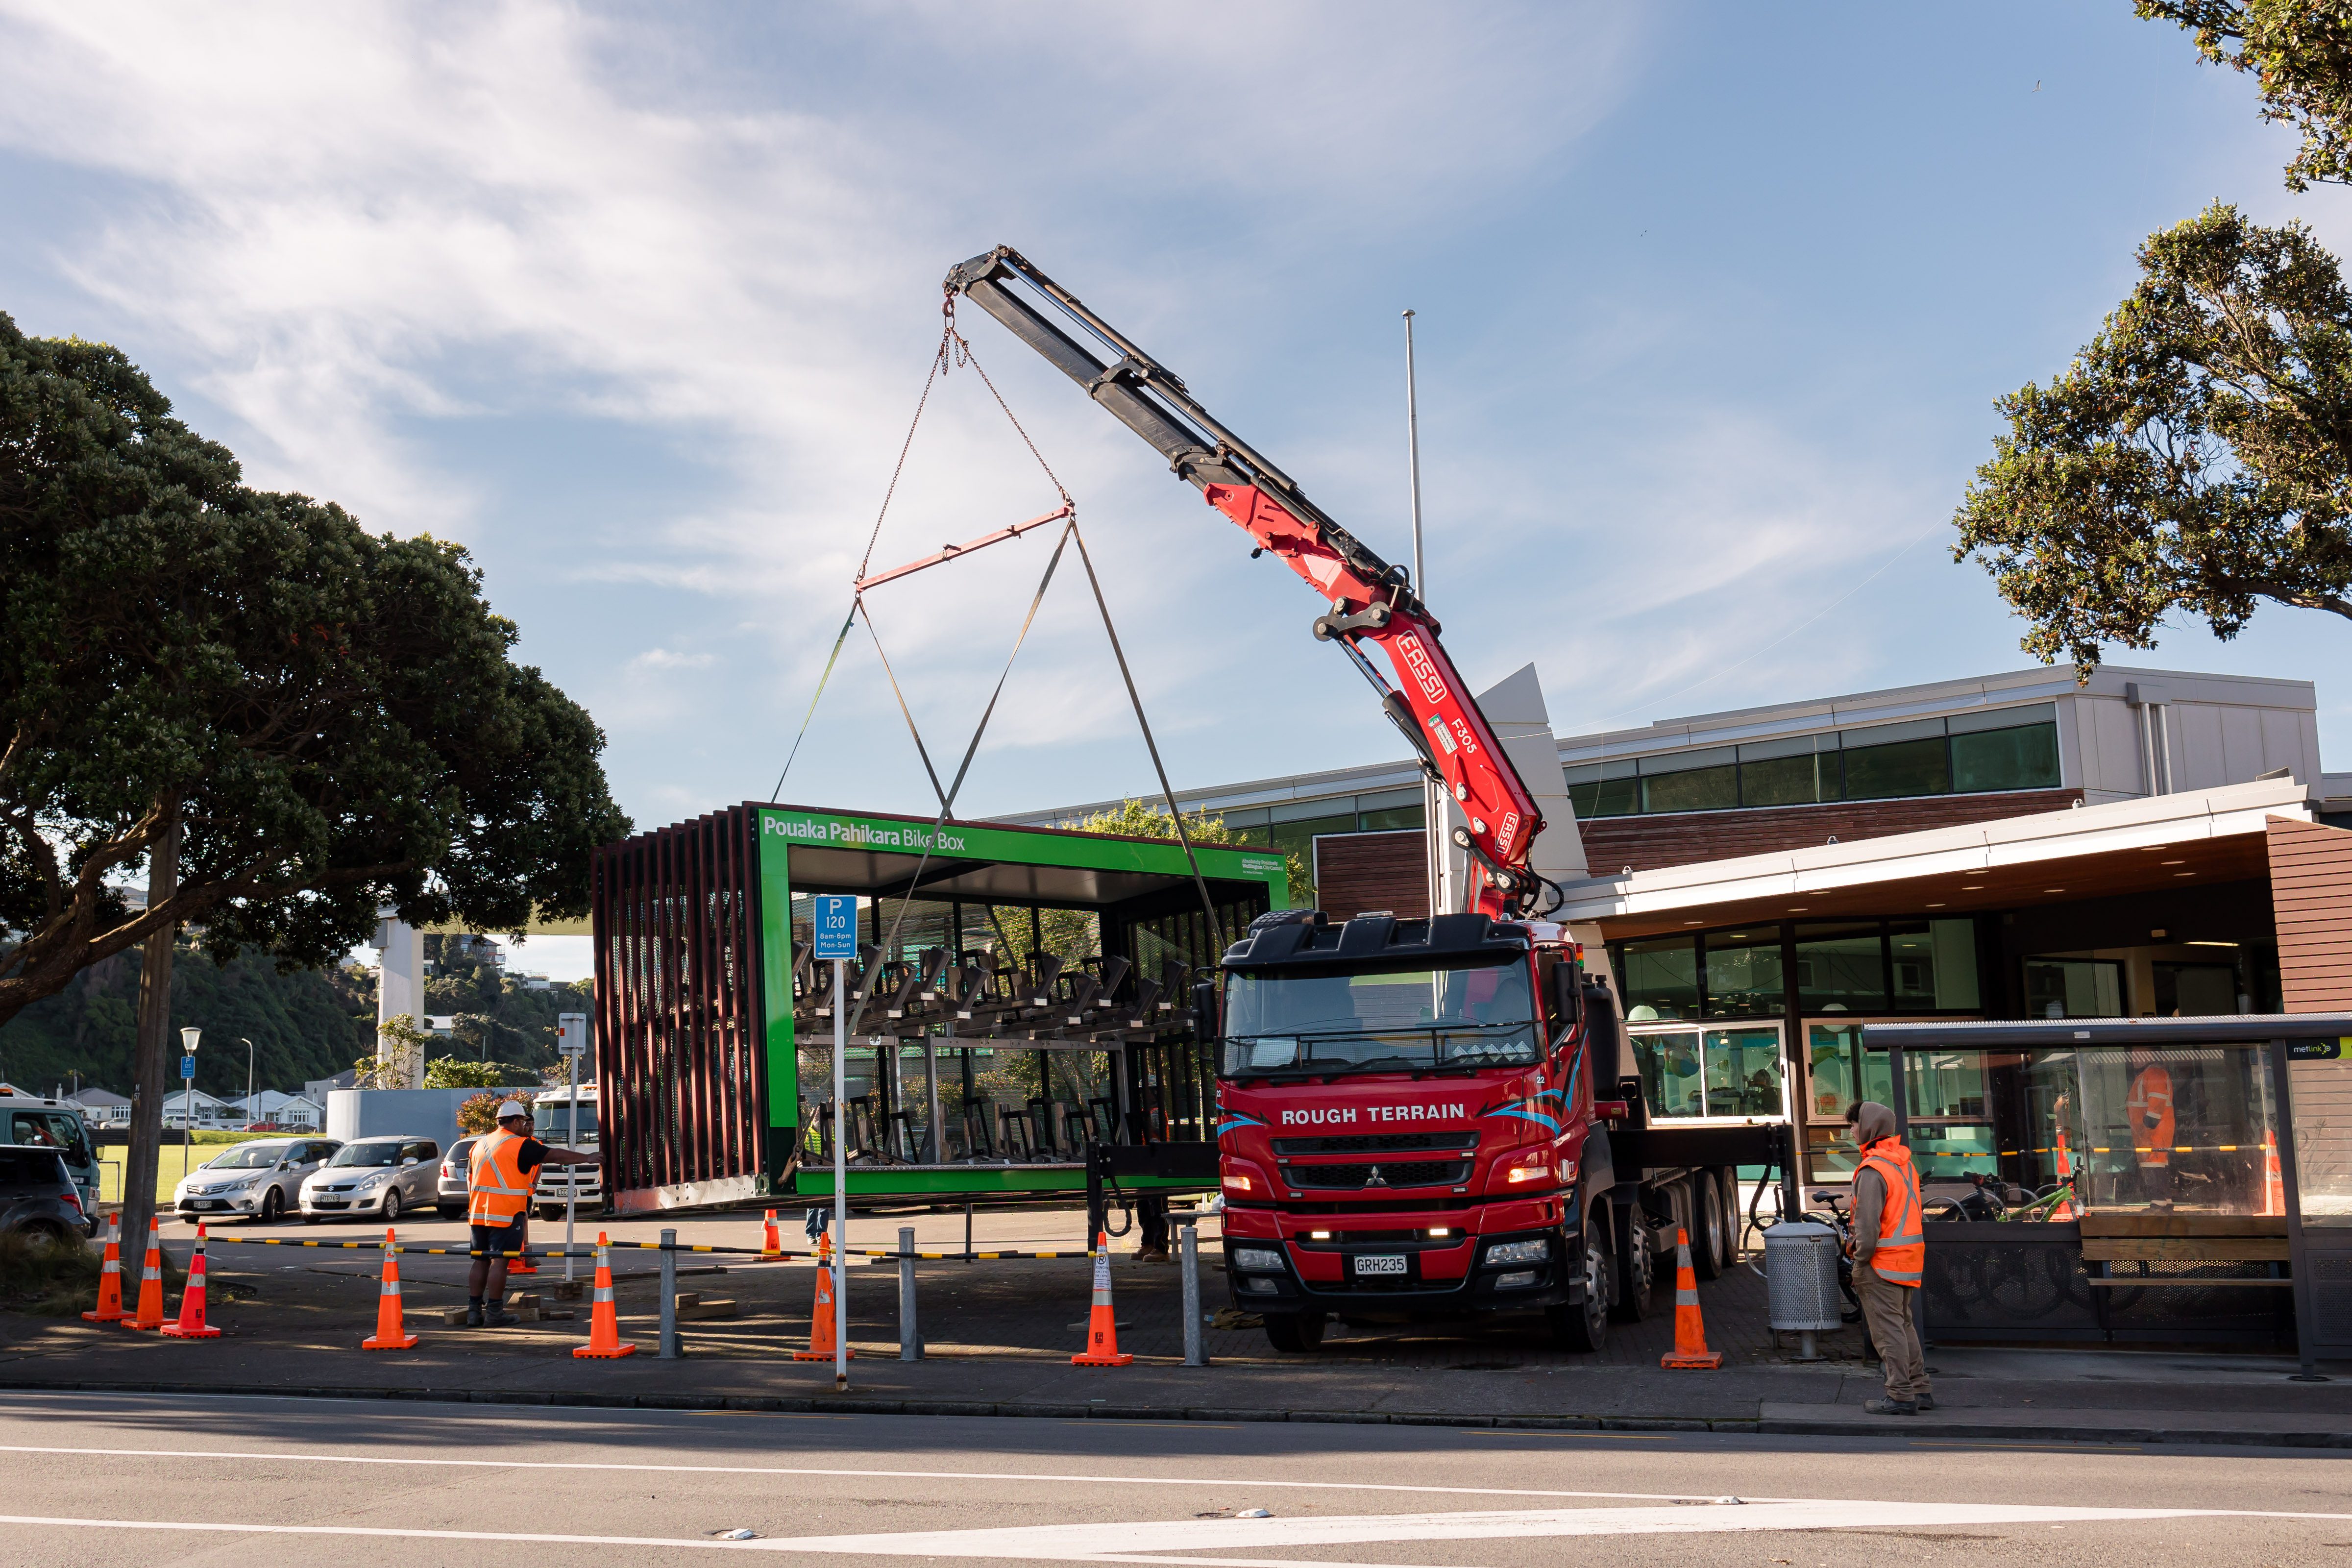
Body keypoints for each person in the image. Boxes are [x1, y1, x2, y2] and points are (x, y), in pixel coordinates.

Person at [466, 1099, 601, 1326]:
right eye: (524, 1121)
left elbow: (471, 1176)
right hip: (507, 1213)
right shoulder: (520, 1144)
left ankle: (473, 1311)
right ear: (517, 1122)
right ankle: (495, 1312)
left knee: (480, 1261)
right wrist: (587, 1158)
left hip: (478, 1213)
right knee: (501, 1261)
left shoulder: (479, 1144)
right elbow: (555, 1156)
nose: (526, 1125)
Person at [1845, 1101, 1931, 1416]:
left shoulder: (1873, 1169)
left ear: (1868, 1127)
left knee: (1887, 1331)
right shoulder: (1904, 1163)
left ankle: (1900, 1395)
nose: (1851, 1130)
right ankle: (1920, 1388)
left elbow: (1867, 1227)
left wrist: (1859, 1258)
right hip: (1908, 1259)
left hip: (1880, 1263)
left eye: (1854, 1124)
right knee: (1904, 1325)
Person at [2126, 1053, 2176, 1208]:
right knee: (2158, 1165)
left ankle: (2158, 1204)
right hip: (2150, 1130)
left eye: (2139, 1054)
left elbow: (2157, 1098)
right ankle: (2165, 1202)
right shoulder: (2150, 1073)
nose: (2134, 1058)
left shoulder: (2154, 1073)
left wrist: (2151, 1120)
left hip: (2153, 1131)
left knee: (2154, 1165)